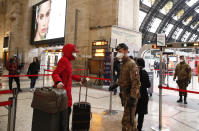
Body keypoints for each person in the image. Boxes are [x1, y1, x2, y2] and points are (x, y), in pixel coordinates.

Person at [52, 43, 87, 131]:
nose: (75, 54)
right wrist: (58, 81)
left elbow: (69, 75)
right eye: (73, 52)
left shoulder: (67, 61)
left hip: (67, 93)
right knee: (65, 116)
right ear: (69, 52)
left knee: (67, 114)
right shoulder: (63, 60)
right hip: (63, 93)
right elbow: (55, 73)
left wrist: (80, 79)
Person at [109, 43, 141, 131]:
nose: (118, 53)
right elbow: (123, 78)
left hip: (130, 96)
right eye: (117, 52)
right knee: (130, 119)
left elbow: (136, 82)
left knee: (127, 121)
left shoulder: (131, 64)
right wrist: (115, 85)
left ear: (126, 51)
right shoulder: (123, 63)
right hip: (125, 95)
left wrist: (133, 97)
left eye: (120, 51)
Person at [135, 58, 150, 131]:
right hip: (144, 95)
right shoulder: (145, 73)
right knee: (141, 114)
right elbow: (148, 85)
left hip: (135, 95)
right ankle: (139, 128)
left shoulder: (134, 72)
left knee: (133, 112)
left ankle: (132, 127)